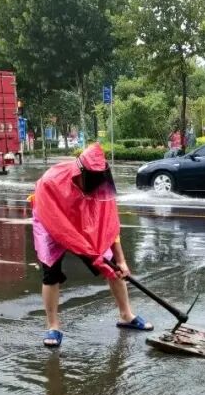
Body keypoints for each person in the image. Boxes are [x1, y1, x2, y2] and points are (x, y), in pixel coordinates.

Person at [31, 143, 152, 348]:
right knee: (51, 273)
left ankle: (126, 315)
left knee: (113, 268)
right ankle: (53, 326)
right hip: (49, 220)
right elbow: (63, 229)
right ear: (80, 173)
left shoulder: (102, 187)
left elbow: (109, 227)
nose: (97, 186)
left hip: (82, 221)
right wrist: (88, 249)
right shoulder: (52, 182)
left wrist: (121, 261)